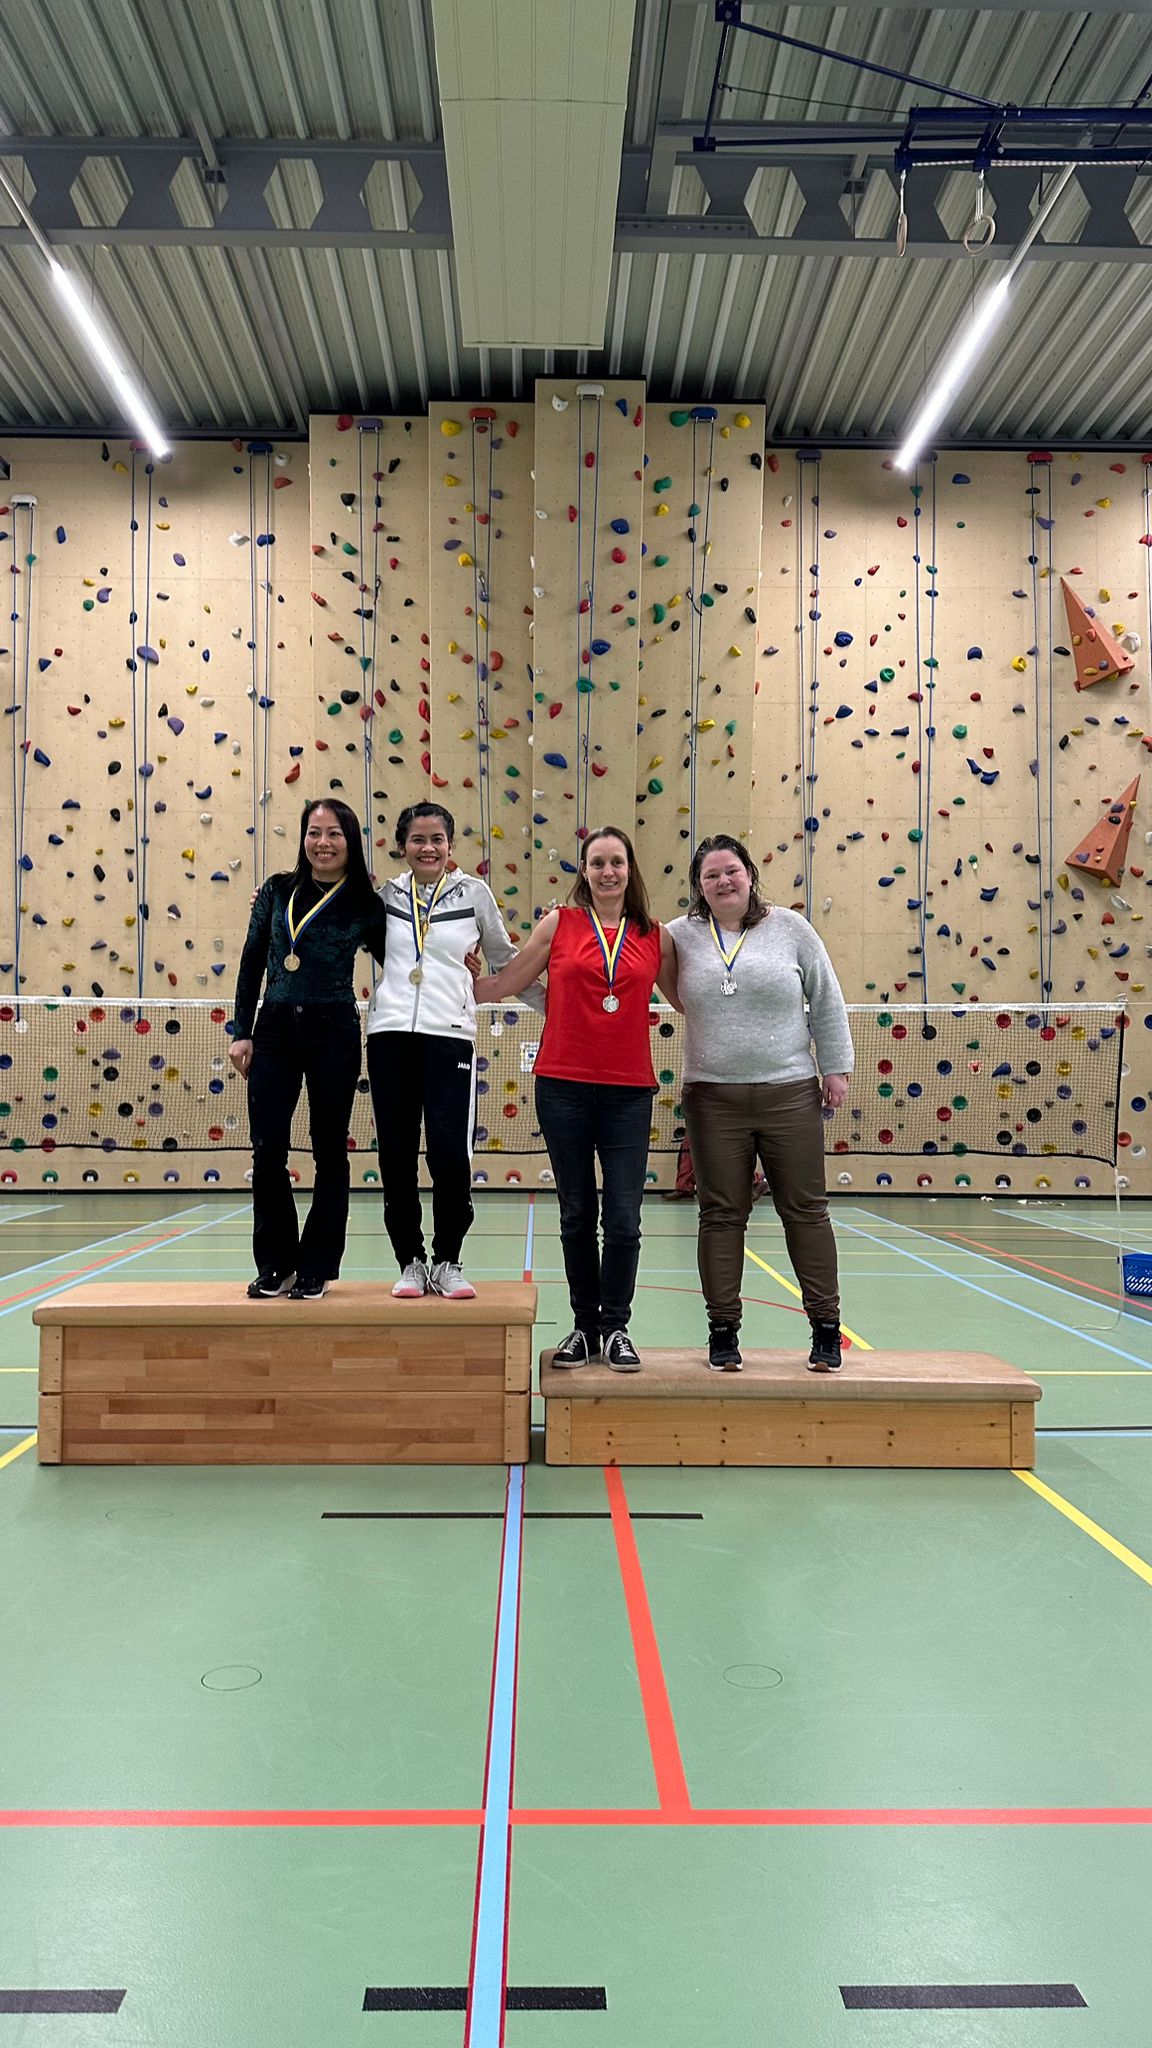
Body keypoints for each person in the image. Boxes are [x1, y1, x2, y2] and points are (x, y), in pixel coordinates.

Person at [472, 825, 678, 1372]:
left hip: (629, 1092)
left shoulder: (655, 936)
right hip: (562, 1087)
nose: (608, 872)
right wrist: (450, 980)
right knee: (576, 1213)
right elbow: (505, 982)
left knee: (625, 1218)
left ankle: (617, 1328)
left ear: (630, 869)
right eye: (597, 863)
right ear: (583, 871)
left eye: (617, 862)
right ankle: (585, 1327)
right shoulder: (558, 924)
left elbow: (691, 1000)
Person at [666, 834, 853, 1373]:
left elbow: (825, 996)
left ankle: (826, 1327)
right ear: (699, 887)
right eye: (711, 875)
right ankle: (722, 1331)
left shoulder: (791, 928)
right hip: (712, 1100)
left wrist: (836, 1066)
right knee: (721, 1215)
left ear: (749, 874)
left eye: (732, 871)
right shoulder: (679, 936)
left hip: (789, 1094)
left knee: (806, 1211)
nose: (723, 881)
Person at [365, 801, 544, 1300]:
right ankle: (410, 1261)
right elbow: (336, 931)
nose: (428, 848)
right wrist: (275, 900)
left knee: (449, 1153)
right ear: (402, 846)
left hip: (449, 1037)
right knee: (396, 1154)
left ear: (450, 845)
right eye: (418, 840)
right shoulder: (384, 898)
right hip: (389, 1035)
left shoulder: (474, 894)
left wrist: (555, 1007)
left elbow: (507, 961)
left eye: (437, 839)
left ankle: (447, 1260)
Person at [230, 799, 388, 1301]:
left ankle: (317, 1265)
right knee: (267, 1149)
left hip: (333, 1029)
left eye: (334, 833)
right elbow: (252, 960)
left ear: (350, 841)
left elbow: (401, 959)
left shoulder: (365, 902)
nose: (323, 843)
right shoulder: (276, 891)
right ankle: (275, 1263)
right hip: (274, 1028)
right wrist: (241, 1030)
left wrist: (460, 964)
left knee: (330, 1149)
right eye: (314, 832)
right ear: (303, 838)